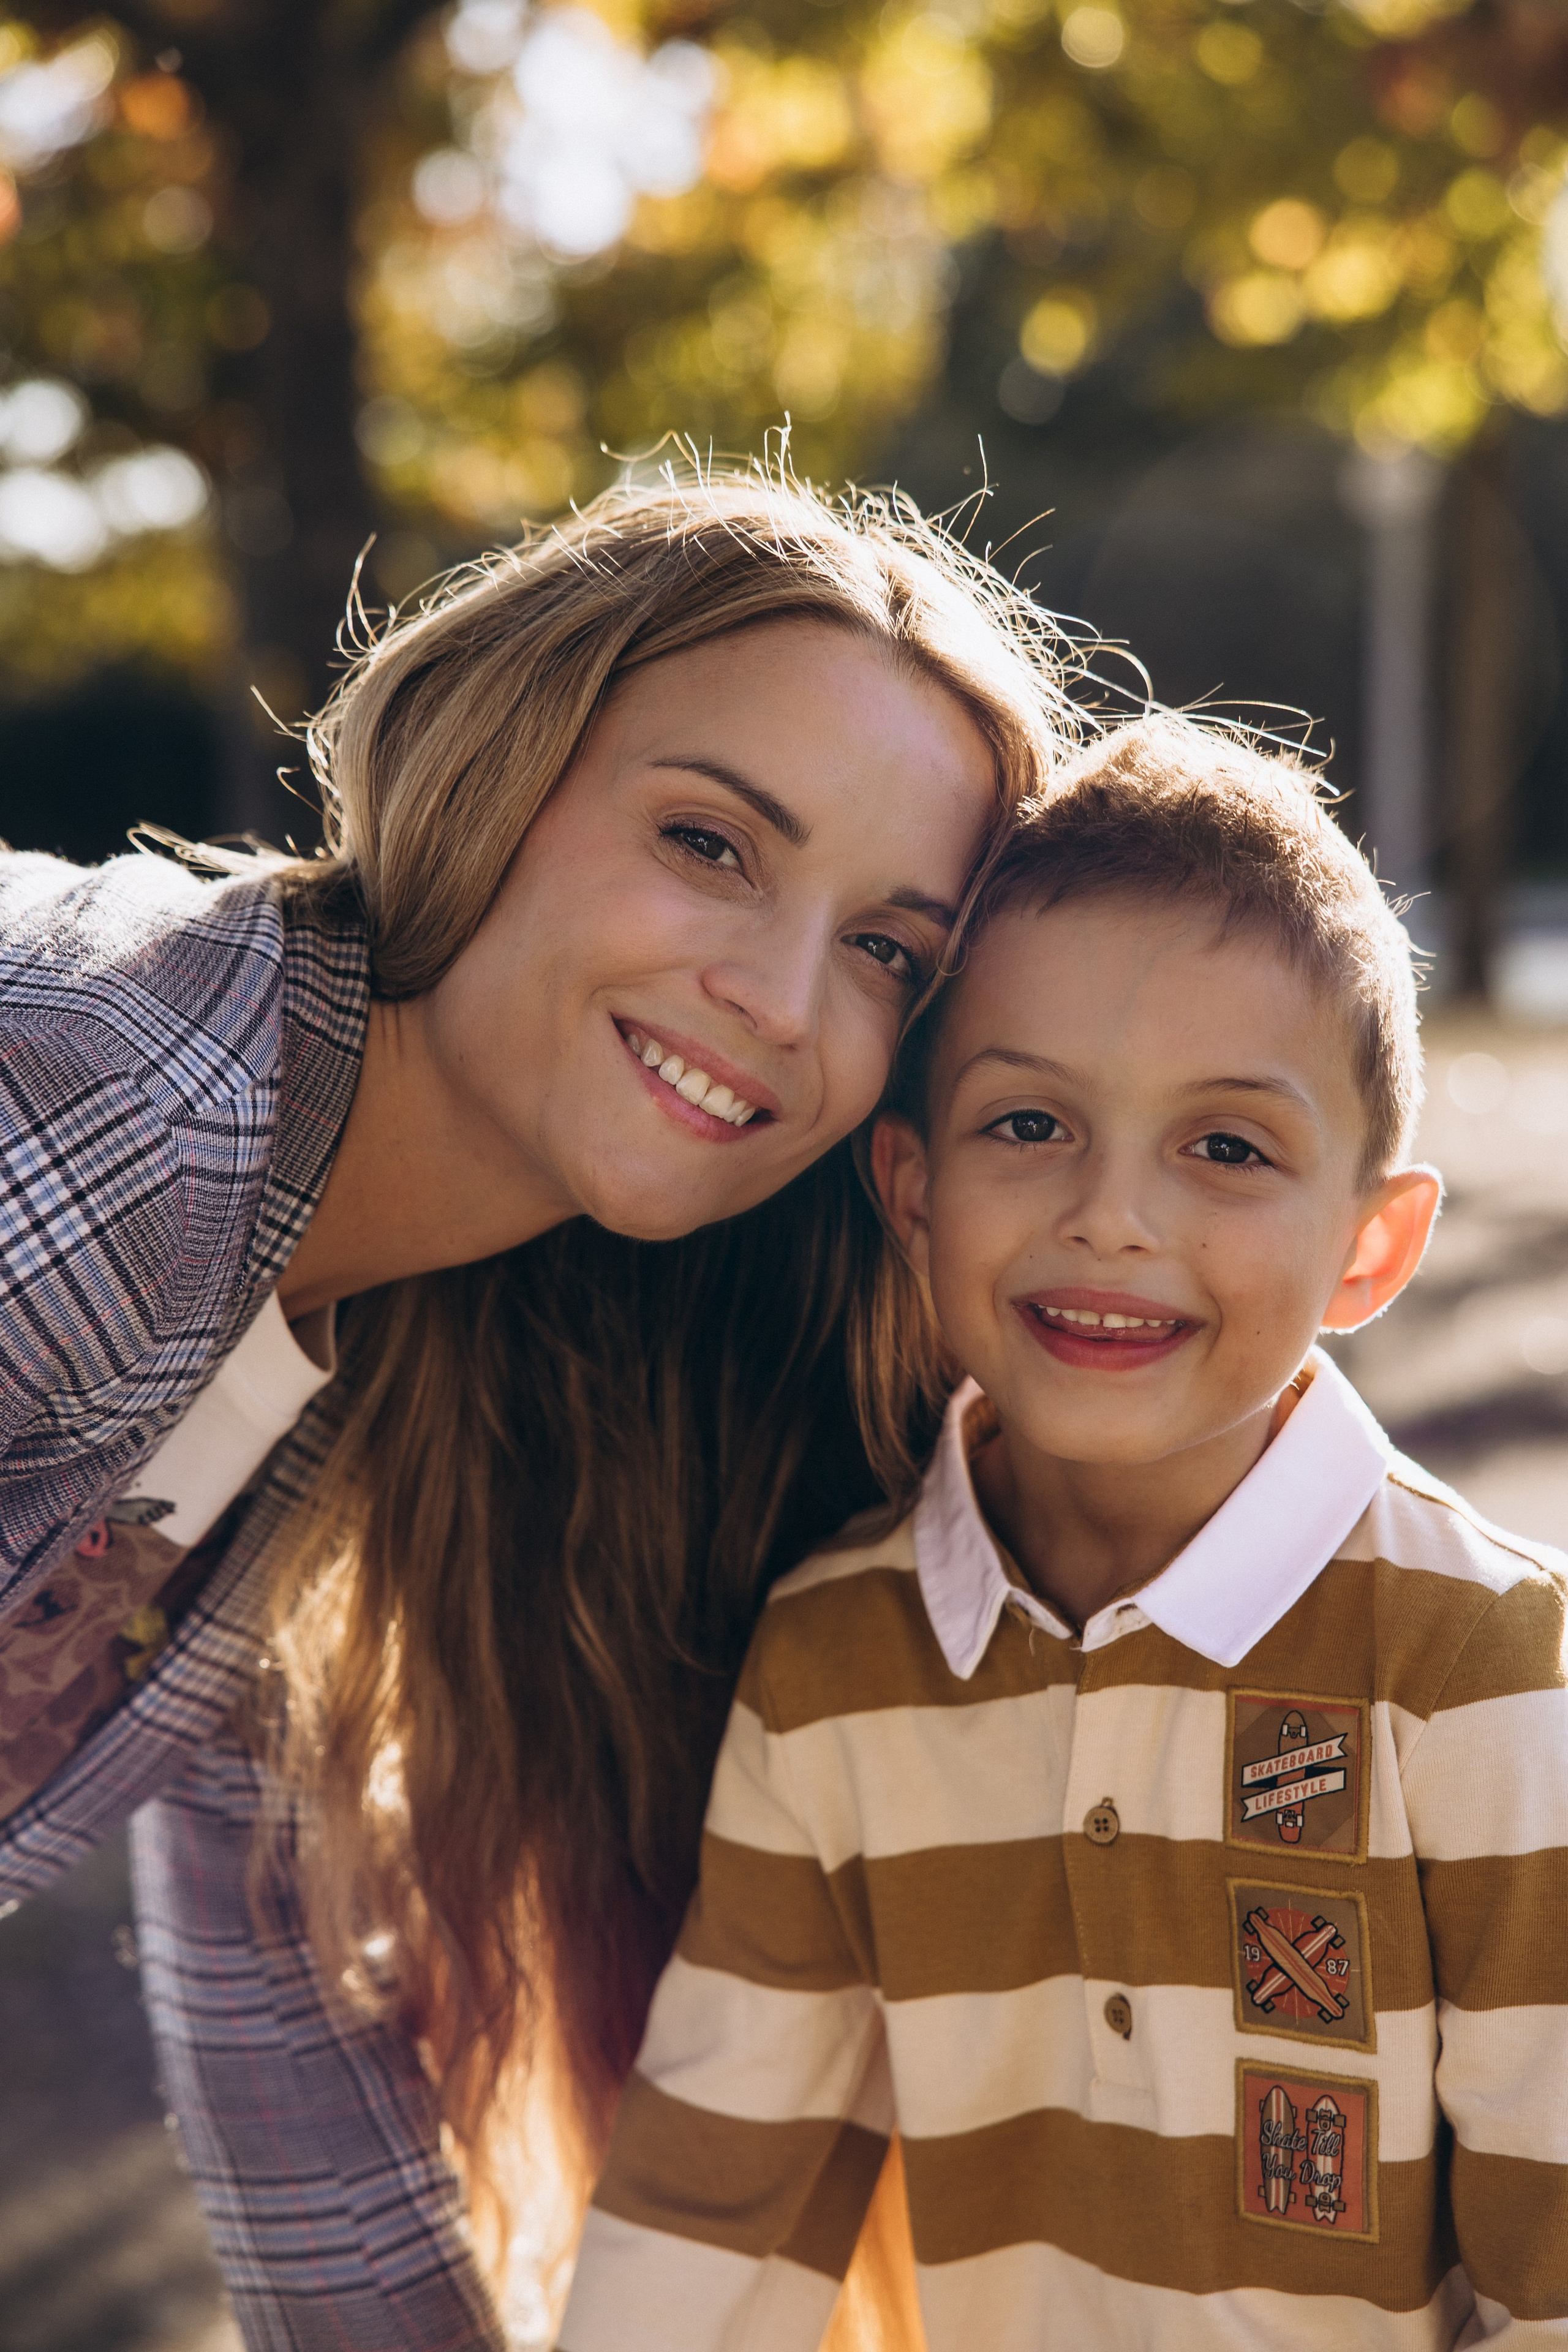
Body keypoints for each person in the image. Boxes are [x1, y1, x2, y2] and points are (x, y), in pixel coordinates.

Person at [0, 467, 1075, 2349]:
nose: (778, 995)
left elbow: (286, 2025)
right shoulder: (128, 1115)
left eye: (888, 952)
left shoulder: (392, 1339)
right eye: (712, 844)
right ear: (499, 759)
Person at [560, 712, 1568, 2350]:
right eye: (1028, 1125)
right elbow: (714, 2207)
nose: (1114, 1214)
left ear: (1370, 1254)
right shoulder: (830, 1668)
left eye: (1227, 1147)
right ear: (912, 1193)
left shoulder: (1484, 1669)